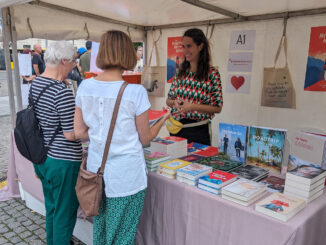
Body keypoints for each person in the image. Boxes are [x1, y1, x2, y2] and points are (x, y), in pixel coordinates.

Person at [74, 30, 171, 245]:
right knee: (122, 236)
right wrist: (162, 121)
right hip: (126, 177)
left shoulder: (85, 86)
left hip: (95, 173)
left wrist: (100, 131)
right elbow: (145, 138)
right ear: (127, 53)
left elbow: (79, 132)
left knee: (101, 230)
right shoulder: (134, 92)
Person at [30, 41, 82, 245]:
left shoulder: (37, 83)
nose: (74, 66)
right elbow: (71, 134)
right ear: (64, 61)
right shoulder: (61, 91)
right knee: (64, 213)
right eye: (74, 61)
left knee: (52, 207)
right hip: (62, 161)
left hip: (42, 157)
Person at [166, 28, 223, 146]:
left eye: (189, 46)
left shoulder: (212, 74)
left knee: (198, 164)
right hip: (176, 130)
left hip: (199, 131)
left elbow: (217, 108)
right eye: (183, 46)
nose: (185, 50)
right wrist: (175, 102)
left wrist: (192, 106)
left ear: (200, 47)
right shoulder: (180, 72)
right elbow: (169, 100)